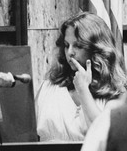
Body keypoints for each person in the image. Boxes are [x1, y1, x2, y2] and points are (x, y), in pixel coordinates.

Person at [35, 12, 126, 142]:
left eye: (78, 46)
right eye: (67, 46)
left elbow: (107, 138)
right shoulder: (48, 88)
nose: (70, 52)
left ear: (95, 49)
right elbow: (26, 135)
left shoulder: (116, 93)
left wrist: (83, 90)